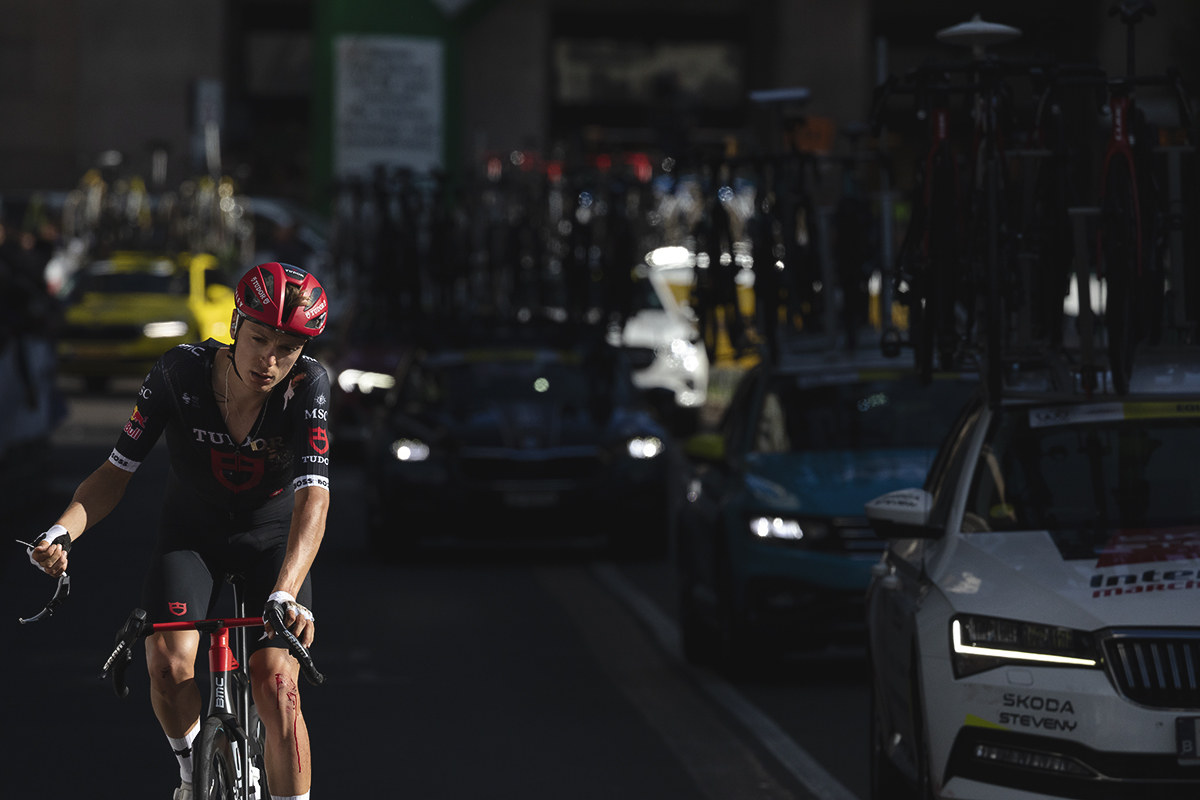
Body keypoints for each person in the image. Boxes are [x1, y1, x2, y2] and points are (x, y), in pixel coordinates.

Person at [27, 261, 332, 800]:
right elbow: (115, 471)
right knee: (167, 666)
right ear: (235, 325)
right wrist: (61, 531)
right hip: (193, 534)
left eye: (287, 348)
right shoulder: (178, 372)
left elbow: (314, 495)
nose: (270, 360)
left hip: (272, 540)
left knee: (276, 684)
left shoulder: (308, 386)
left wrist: (287, 590)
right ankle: (192, 775)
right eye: (259, 339)